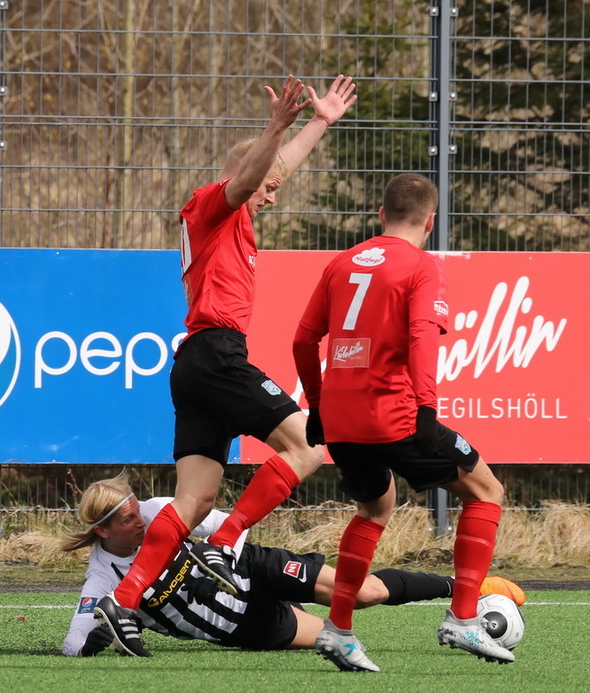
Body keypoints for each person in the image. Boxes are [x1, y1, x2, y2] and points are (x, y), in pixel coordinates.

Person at [93, 73, 358, 657]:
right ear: (246, 175)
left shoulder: (234, 219)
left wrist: (319, 123)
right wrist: (275, 127)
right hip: (216, 354)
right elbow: (250, 176)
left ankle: (125, 599)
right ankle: (228, 542)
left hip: (196, 364)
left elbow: (269, 170)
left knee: (194, 502)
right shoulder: (211, 206)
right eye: (268, 187)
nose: (273, 195)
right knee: (309, 445)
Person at [291, 173, 516, 671]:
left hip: (341, 421)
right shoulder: (423, 265)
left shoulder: (342, 262)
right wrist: (427, 409)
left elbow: (303, 341)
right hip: (393, 414)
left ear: (381, 214)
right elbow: (421, 337)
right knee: (487, 491)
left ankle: (338, 631)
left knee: (375, 508)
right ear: (430, 222)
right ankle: (463, 618)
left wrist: (318, 406)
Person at [62, 474, 525, 657]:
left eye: (137, 509)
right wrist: (97, 639)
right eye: (128, 519)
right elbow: (73, 641)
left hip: (255, 568)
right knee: (335, 640)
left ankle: (468, 587)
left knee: (362, 593)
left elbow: (231, 527)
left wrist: (221, 563)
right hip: (245, 626)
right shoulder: (102, 578)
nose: (141, 520)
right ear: (102, 531)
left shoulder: (158, 510)